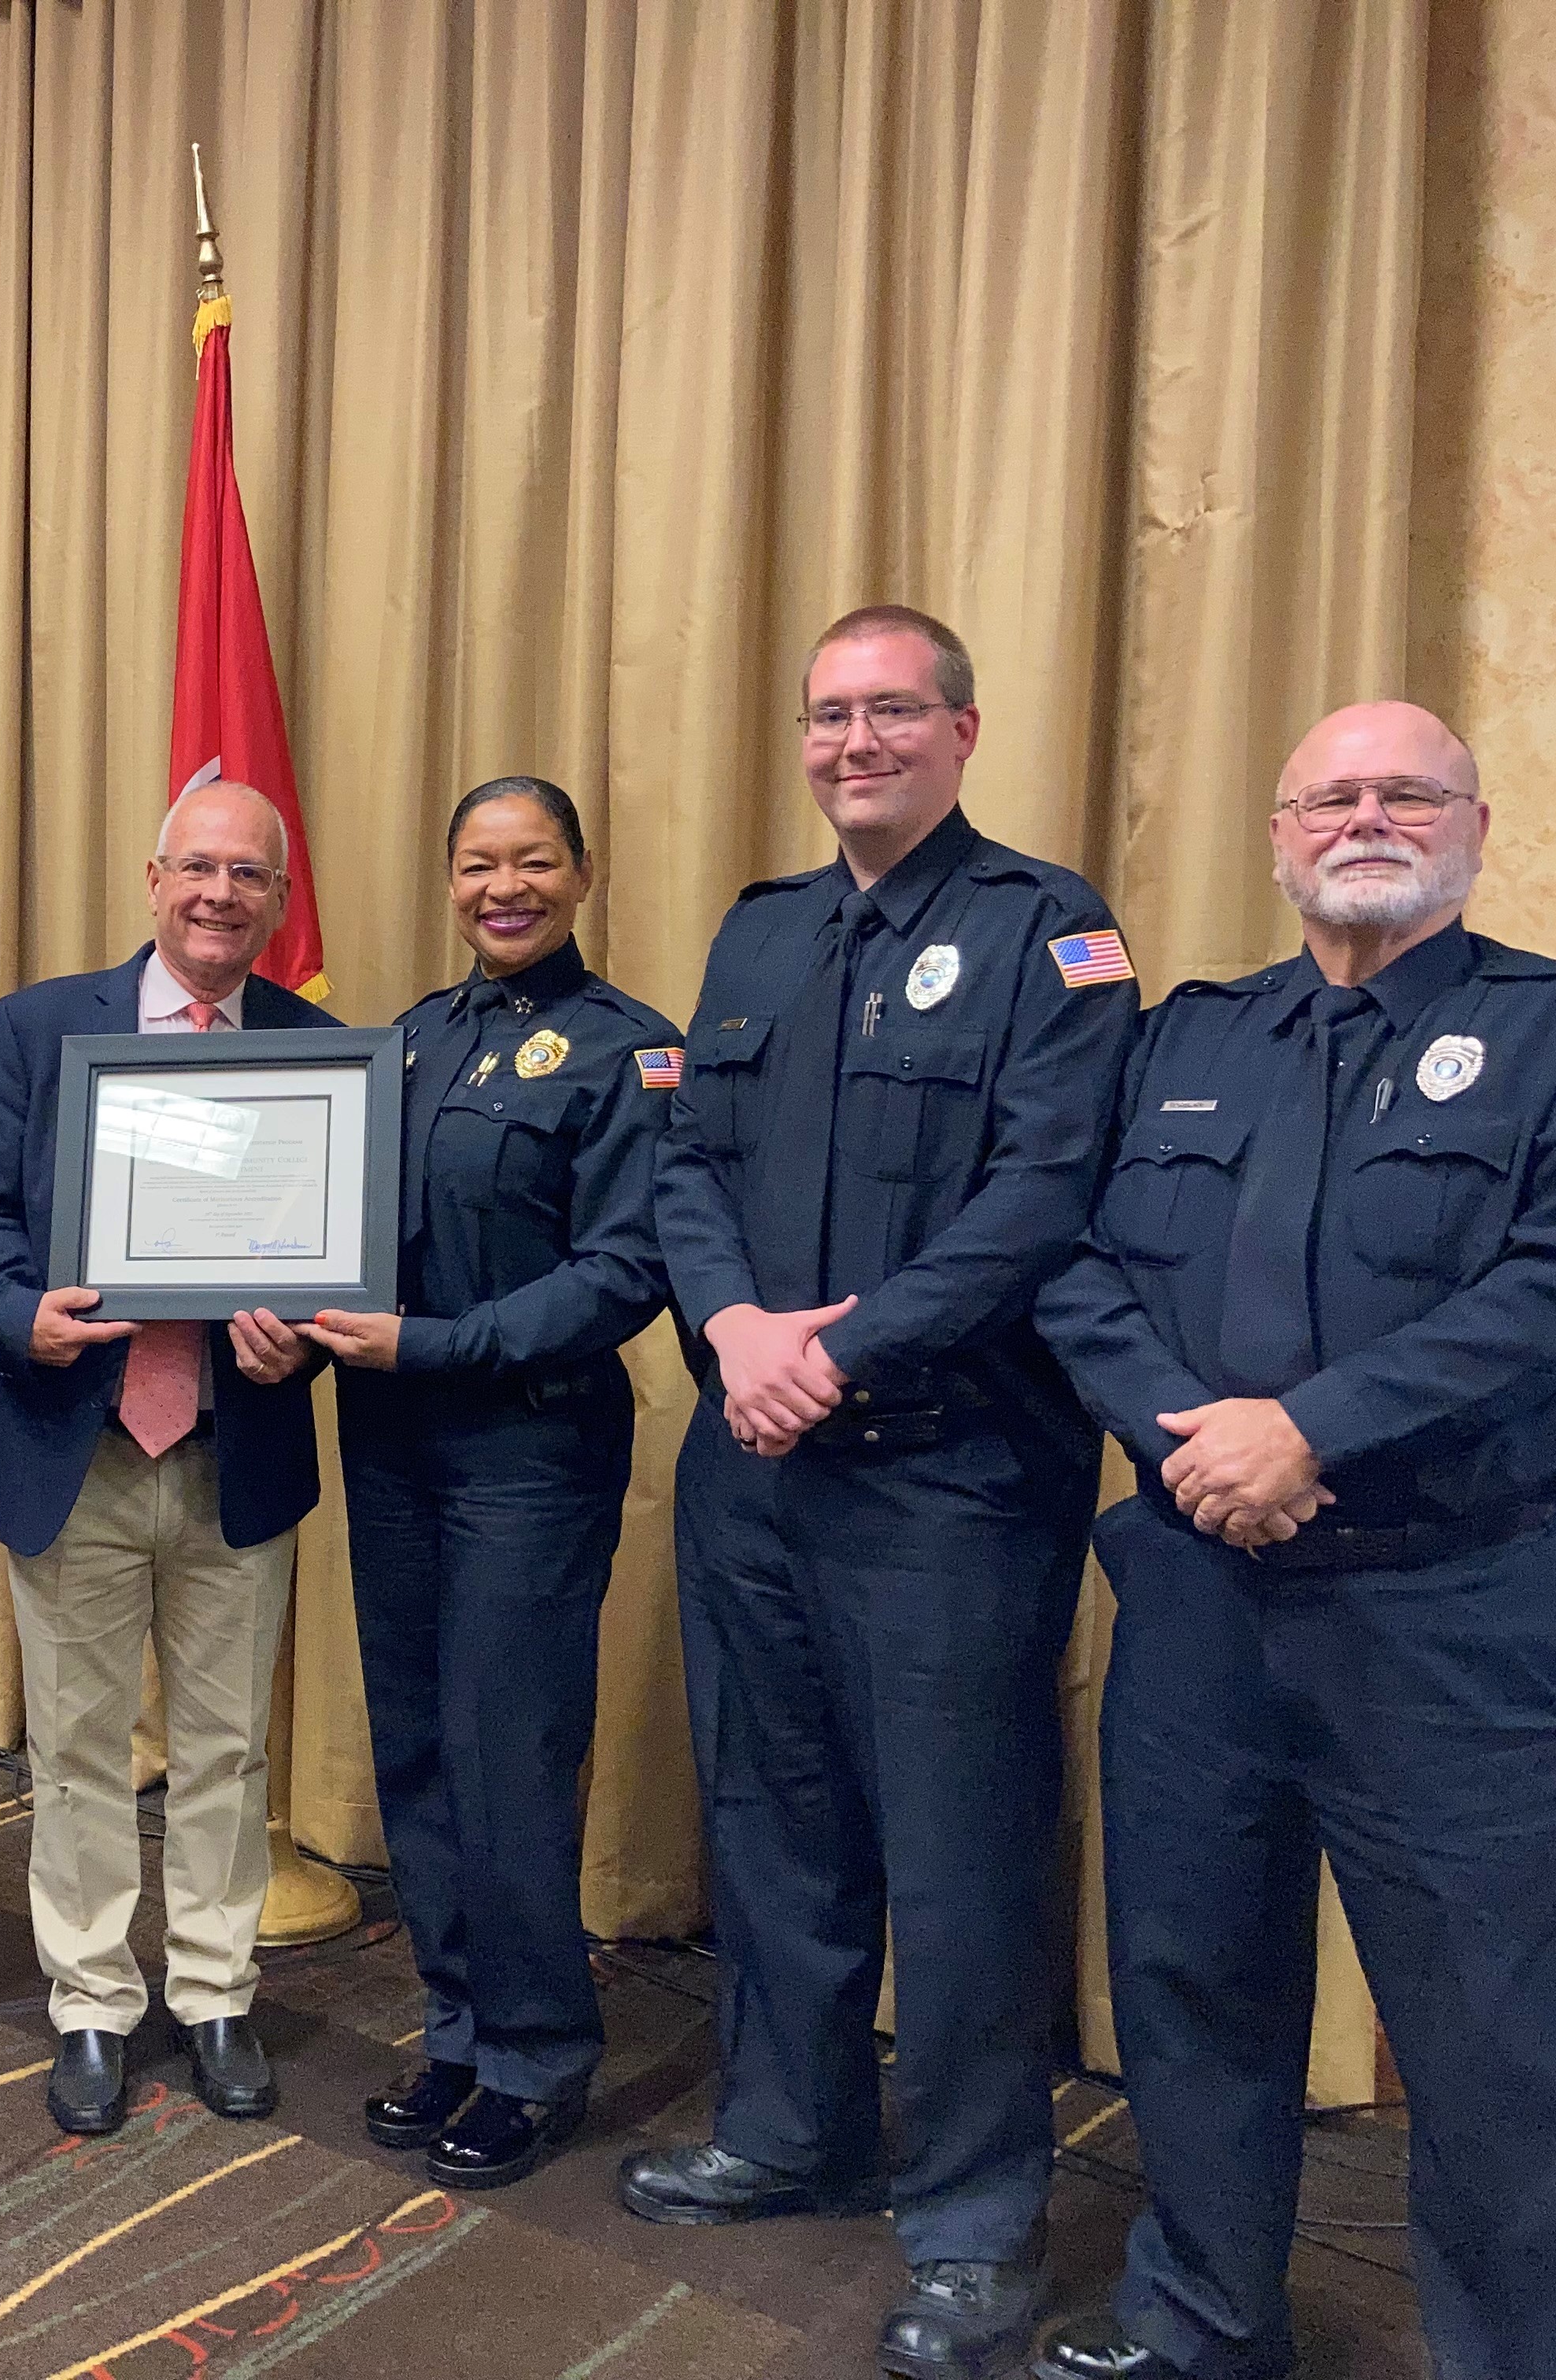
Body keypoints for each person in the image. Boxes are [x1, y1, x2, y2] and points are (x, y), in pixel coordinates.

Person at [1026, 704, 1556, 2380]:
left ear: (1474, 823)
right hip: (1200, 1593)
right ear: (1279, 832)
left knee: (1485, 2032)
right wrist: (1202, 1443)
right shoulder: (1191, 1036)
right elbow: (1076, 1269)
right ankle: (1203, 2319)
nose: (1366, 817)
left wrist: (1310, 1429)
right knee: (1191, 1980)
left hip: (1453, 1610)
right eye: (1331, 793)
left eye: (1407, 790)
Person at [638, 607, 1141, 2380]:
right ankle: (790, 2126)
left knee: (962, 1858)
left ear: (964, 730)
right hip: (754, 1464)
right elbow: (682, 1162)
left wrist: (837, 1352)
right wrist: (736, 1327)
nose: (859, 741)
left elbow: (1050, 1192)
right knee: (771, 1823)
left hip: (948, 1475)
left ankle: (976, 2218)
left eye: (894, 712)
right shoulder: (760, 934)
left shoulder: (1047, 933)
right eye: (832, 715)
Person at [297, 776, 680, 2190]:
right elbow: (330, 1232)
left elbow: (623, 1273)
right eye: (476, 865)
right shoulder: (401, 1045)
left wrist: (442, 1343)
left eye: (531, 863)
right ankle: (455, 2024)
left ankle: (535, 2050)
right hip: (392, 1446)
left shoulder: (632, 1055)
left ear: (580, 876)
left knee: (508, 1750)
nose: (501, 889)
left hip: (527, 1448)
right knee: (414, 1741)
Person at [0, 781, 328, 2137]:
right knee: (80, 1745)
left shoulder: (318, 1049)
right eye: (200, 869)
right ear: (154, 876)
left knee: (227, 1748)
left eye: (251, 877)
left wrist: (310, 1342)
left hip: (237, 1446)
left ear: (280, 905)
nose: (221, 895)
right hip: (78, 1440)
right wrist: (17, 1315)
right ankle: (94, 2003)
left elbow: (336, 1261)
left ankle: (219, 1990)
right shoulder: (41, 1027)